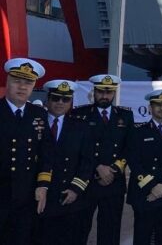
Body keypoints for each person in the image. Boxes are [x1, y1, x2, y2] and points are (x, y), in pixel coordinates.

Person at [72, 74, 134, 245]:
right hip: (86, 182)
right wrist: (97, 167)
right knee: (79, 229)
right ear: (94, 92)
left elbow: (129, 147)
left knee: (110, 232)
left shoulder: (125, 116)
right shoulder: (80, 114)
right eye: (101, 92)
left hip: (113, 182)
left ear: (114, 93)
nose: (104, 96)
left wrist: (113, 169)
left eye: (109, 92)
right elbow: (77, 148)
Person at [34, 80, 94, 245]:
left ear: (71, 102)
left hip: (68, 197)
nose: (60, 102)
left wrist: (76, 189)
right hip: (39, 196)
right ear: (48, 99)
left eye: (65, 99)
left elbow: (87, 162)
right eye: (56, 98)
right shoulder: (35, 122)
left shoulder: (81, 127)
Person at [0, 58, 52, 245]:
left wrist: (43, 185)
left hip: (27, 195)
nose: (22, 87)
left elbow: (46, 153)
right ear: (7, 81)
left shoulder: (39, 114)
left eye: (28, 83)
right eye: (17, 81)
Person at [126, 90, 162, 245]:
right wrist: (152, 187)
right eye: (158, 105)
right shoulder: (138, 132)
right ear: (150, 107)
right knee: (142, 238)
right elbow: (134, 162)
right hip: (145, 194)